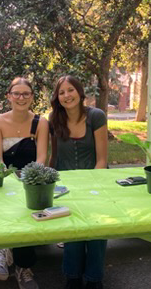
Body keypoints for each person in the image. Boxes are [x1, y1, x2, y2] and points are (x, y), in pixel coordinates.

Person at [0, 77, 49, 289]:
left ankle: (20, 264)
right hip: (6, 179)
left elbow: (42, 158)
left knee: (28, 208)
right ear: (8, 96)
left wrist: (29, 180)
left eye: (26, 94)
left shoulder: (41, 123)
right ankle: (8, 251)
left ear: (32, 97)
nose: (21, 98)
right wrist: (10, 179)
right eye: (16, 94)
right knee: (10, 205)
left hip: (32, 179)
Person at [48, 75, 108, 289]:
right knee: (72, 230)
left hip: (96, 181)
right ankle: (72, 276)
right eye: (61, 92)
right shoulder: (53, 119)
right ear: (57, 97)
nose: (66, 95)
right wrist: (49, 183)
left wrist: (91, 186)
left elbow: (102, 159)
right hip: (66, 186)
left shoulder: (96, 116)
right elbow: (54, 157)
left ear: (80, 93)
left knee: (97, 231)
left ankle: (94, 279)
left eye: (70, 90)